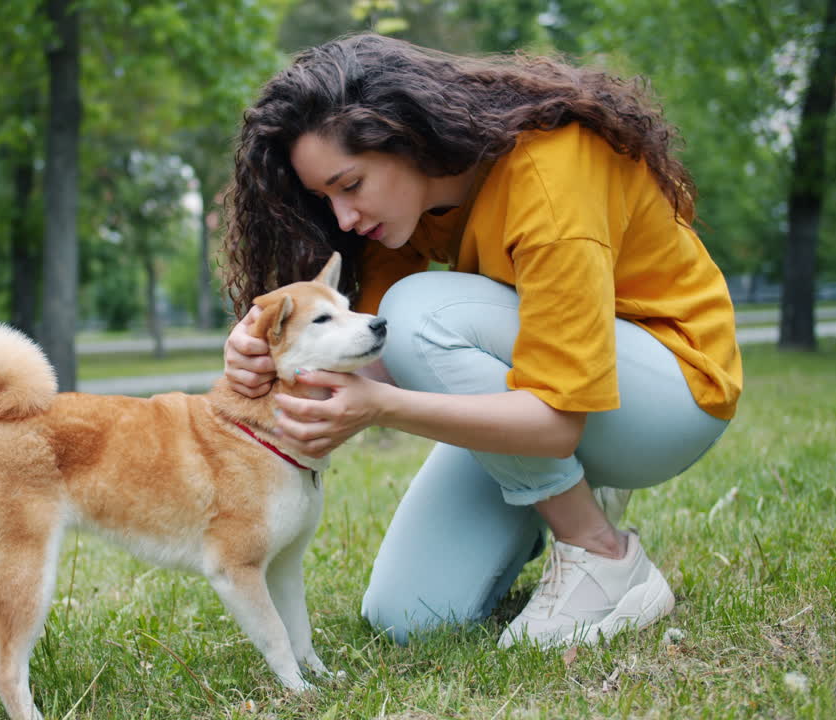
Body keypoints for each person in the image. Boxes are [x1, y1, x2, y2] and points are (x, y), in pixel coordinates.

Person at [220, 34, 742, 649]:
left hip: (669, 398)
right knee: (408, 615)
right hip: (547, 396)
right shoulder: (411, 215)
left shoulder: (553, 173)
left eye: (350, 184)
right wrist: (263, 351)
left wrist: (381, 407)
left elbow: (553, 424)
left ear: (403, 133)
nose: (343, 219)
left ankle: (601, 553)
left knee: (414, 313)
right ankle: (555, 494)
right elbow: (371, 354)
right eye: (325, 198)